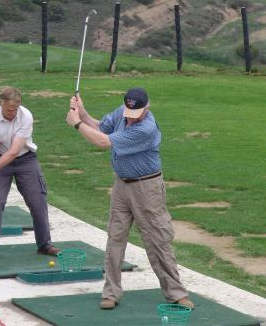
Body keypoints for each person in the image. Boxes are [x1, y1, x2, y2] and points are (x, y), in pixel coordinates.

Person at [66, 87, 194, 310]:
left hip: (147, 188)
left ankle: (175, 293)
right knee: (115, 238)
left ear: (147, 107)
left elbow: (104, 142)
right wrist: (83, 113)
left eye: (136, 113)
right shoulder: (123, 111)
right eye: (129, 111)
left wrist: (77, 123)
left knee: (157, 240)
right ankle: (111, 292)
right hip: (121, 186)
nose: (131, 117)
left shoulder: (146, 128)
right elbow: (100, 128)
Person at [0, 87, 60, 260]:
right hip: (0, 158)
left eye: (15, 109)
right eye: (9, 109)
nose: (12, 113)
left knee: (37, 200)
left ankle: (44, 244)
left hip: (25, 159)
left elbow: (14, 151)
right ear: (0, 103)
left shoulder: (26, 116)